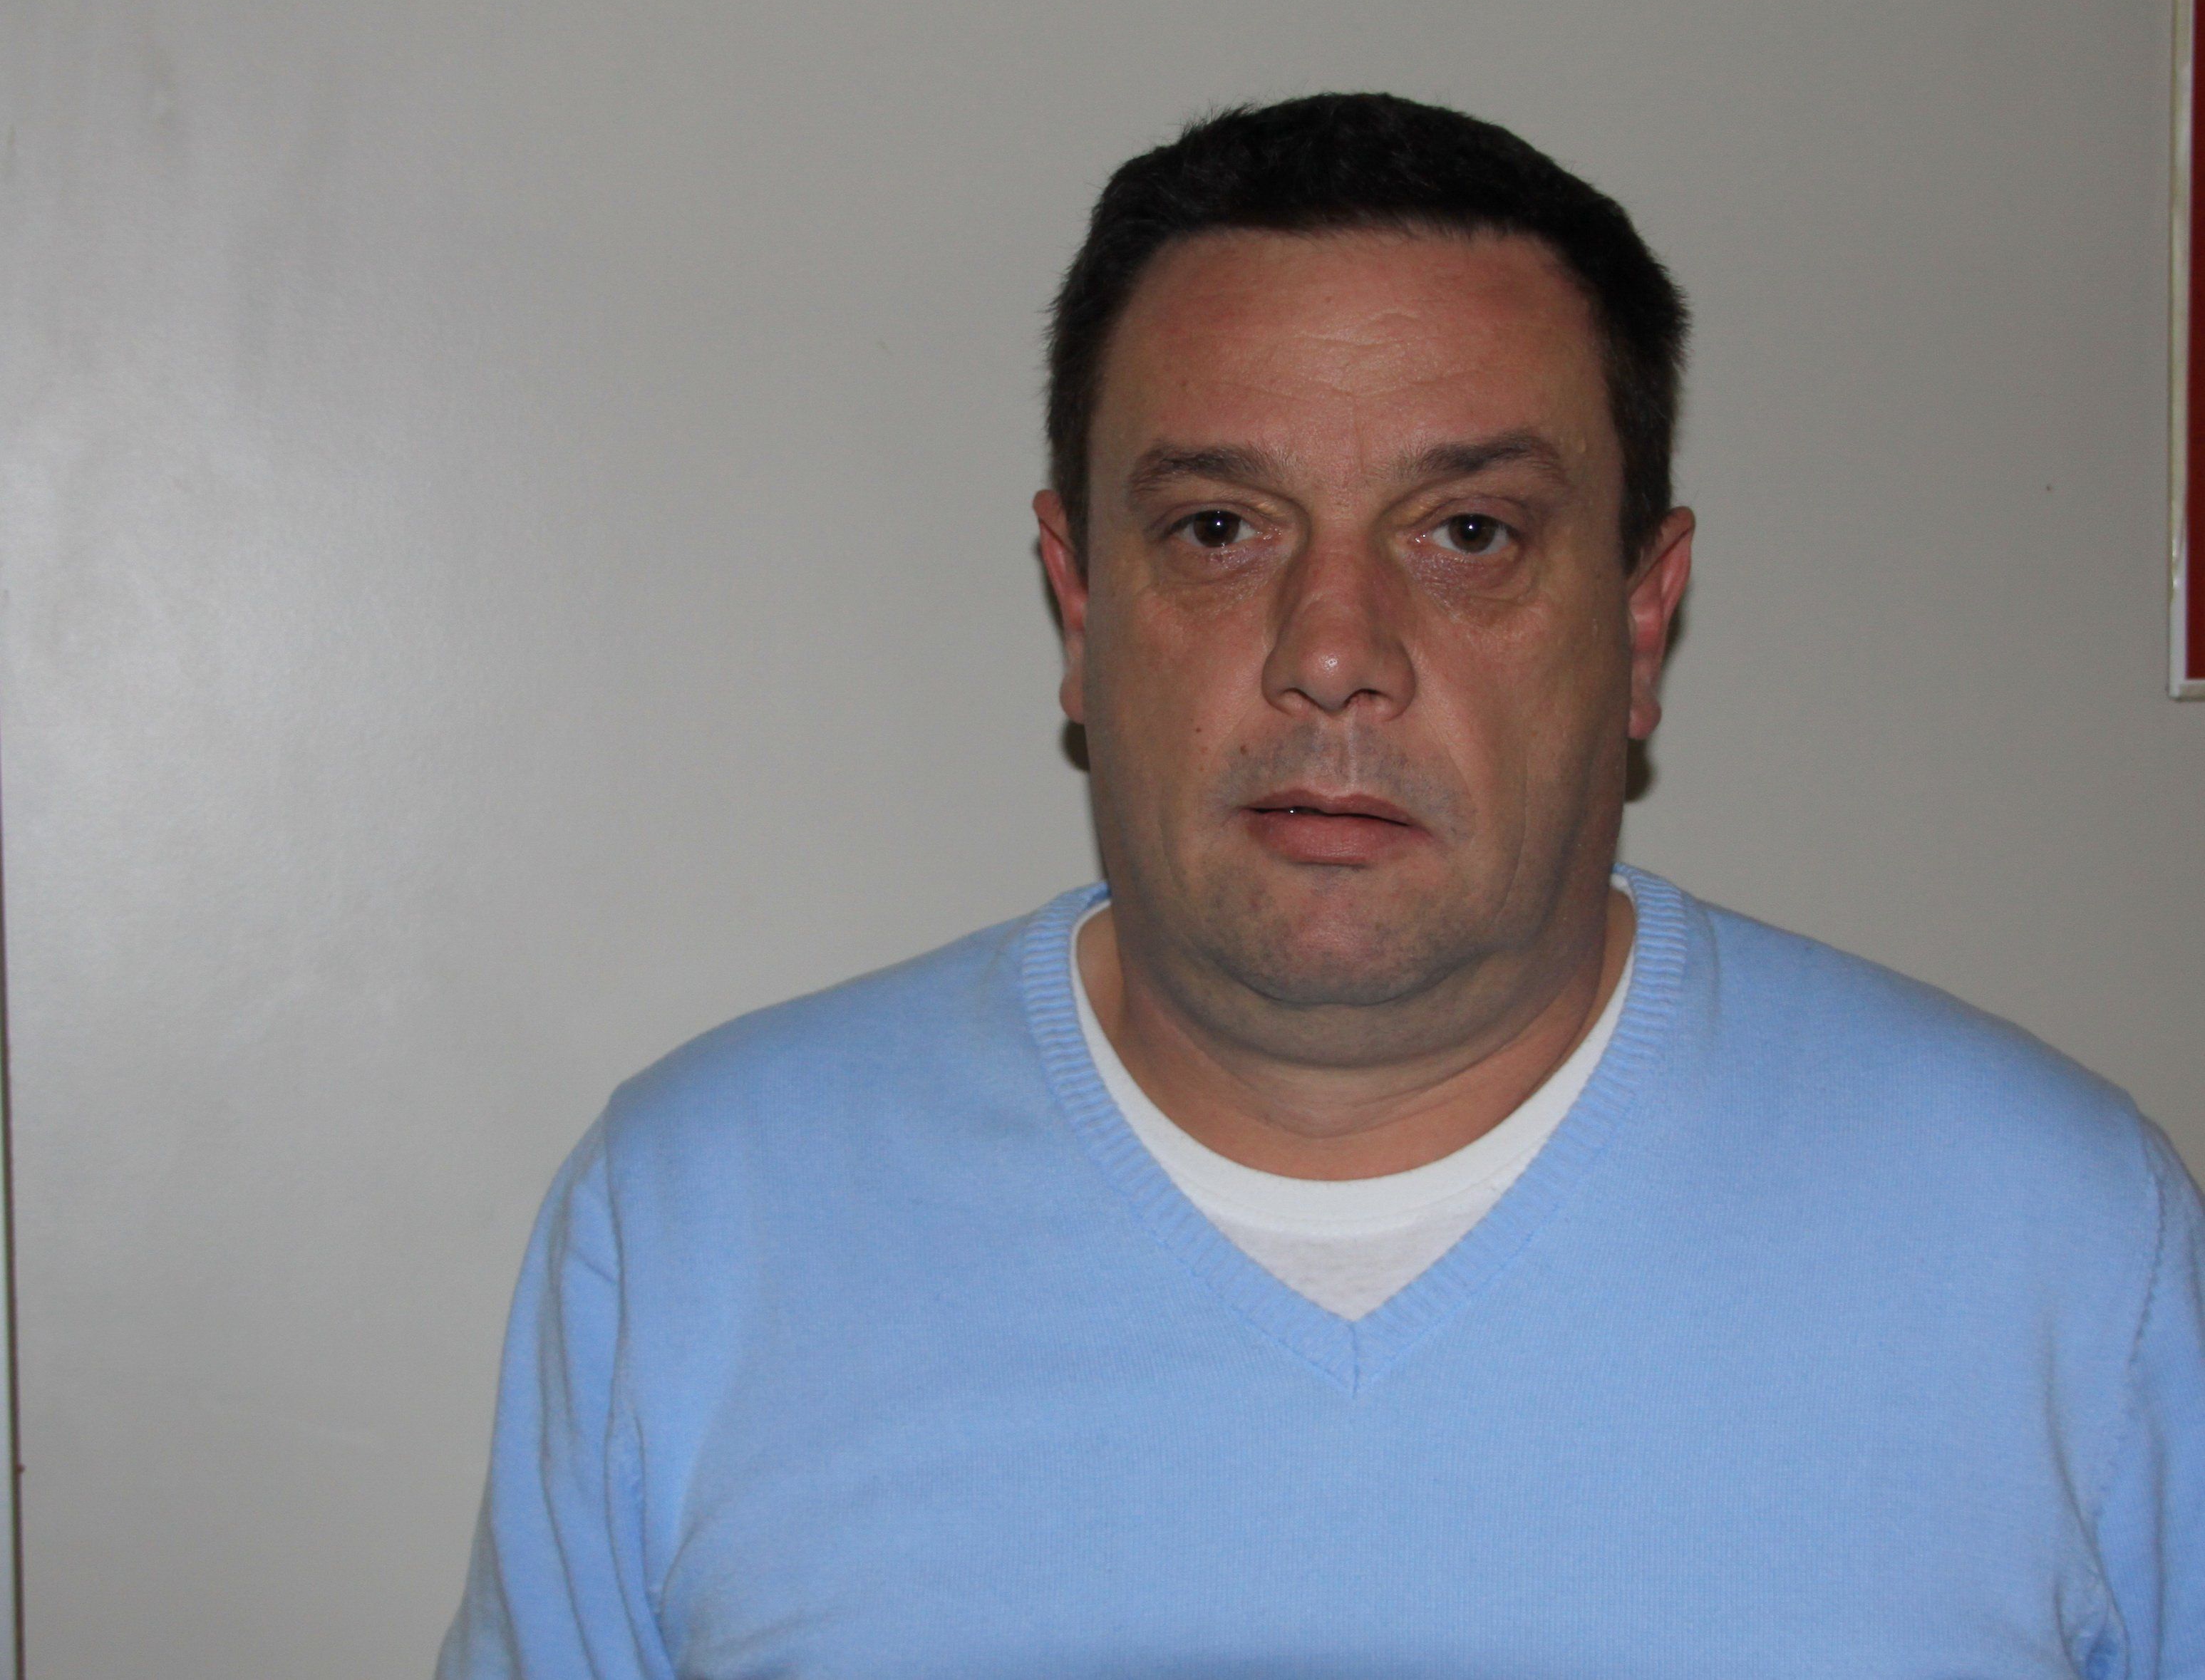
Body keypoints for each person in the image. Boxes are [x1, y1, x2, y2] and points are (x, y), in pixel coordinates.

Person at [439, 94, 2203, 1677]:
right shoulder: (700, 1224)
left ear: (1638, 617)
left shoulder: (2056, 1243)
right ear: (1078, 603)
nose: (1333, 651)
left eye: (1468, 532)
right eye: (1219, 528)